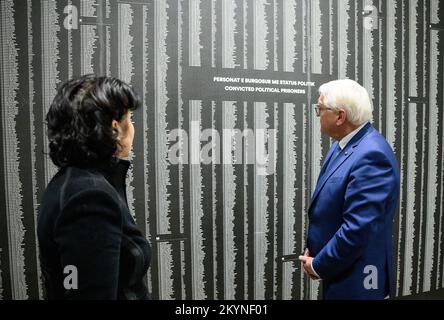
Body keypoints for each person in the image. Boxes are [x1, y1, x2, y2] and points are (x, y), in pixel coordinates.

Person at [37, 74, 151, 299]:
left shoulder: (73, 184)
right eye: (130, 119)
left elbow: (75, 281)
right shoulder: (89, 196)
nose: (133, 128)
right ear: (115, 128)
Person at [299, 79, 400, 300]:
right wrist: (316, 252)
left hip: (359, 279)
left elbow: (357, 229)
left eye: (320, 108)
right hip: (340, 268)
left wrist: (319, 265)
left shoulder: (372, 156)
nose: (317, 114)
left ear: (340, 116)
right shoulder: (341, 145)